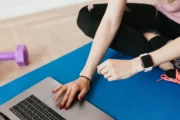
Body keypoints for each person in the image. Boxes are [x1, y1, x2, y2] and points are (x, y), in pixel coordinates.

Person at [52, 0, 180, 109]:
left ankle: (156, 42)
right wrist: (85, 76)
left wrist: (137, 64)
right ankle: (164, 50)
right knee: (89, 16)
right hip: (163, 17)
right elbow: (110, 20)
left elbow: (136, 64)